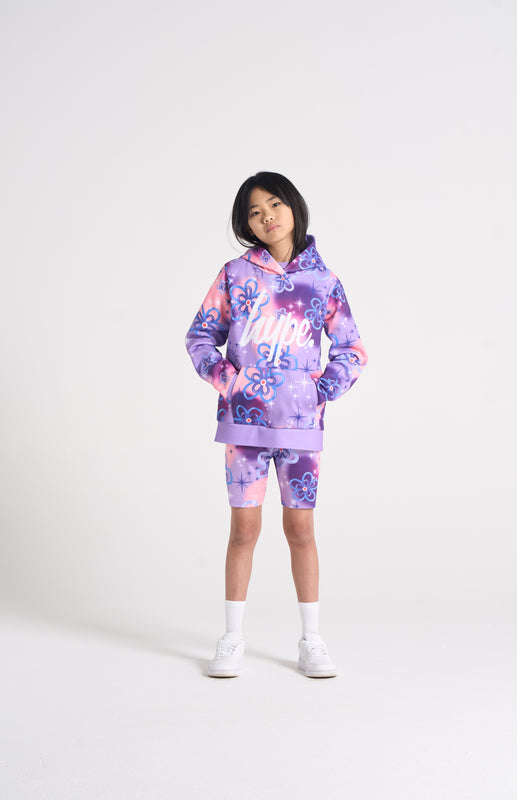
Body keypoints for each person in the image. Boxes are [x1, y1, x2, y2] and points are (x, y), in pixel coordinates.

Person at [185, 171, 368, 678]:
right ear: (246, 224)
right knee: (243, 530)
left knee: (300, 530)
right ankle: (232, 638)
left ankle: (312, 640)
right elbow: (200, 336)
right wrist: (231, 382)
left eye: (274, 204)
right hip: (244, 427)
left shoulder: (322, 281)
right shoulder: (235, 274)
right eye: (254, 212)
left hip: (301, 428)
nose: (266, 216)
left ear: (293, 206)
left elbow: (352, 349)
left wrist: (318, 391)